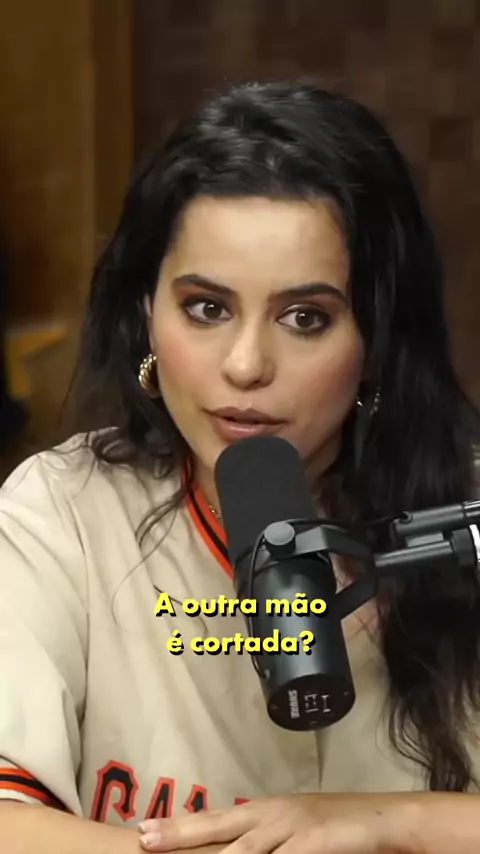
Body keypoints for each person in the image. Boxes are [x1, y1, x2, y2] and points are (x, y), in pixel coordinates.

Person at [0, 79, 479, 854]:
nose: (247, 365)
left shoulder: (464, 521)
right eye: (207, 308)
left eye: (305, 318)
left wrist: (390, 822)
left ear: (378, 340)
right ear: (146, 312)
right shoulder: (65, 513)